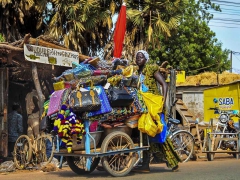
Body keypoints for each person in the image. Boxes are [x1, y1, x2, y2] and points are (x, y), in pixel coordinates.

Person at [132, 50, 181, 172]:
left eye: (141, 57)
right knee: (147, 133)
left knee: (159, 134)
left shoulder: (151, 68)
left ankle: (173, 162)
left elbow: (164, 85)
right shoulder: (138, 72)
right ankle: (145, 165)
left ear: (146, 59)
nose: (138, 59)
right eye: (137, 57)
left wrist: (162, 102)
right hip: (144, 107)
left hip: (155, 107)